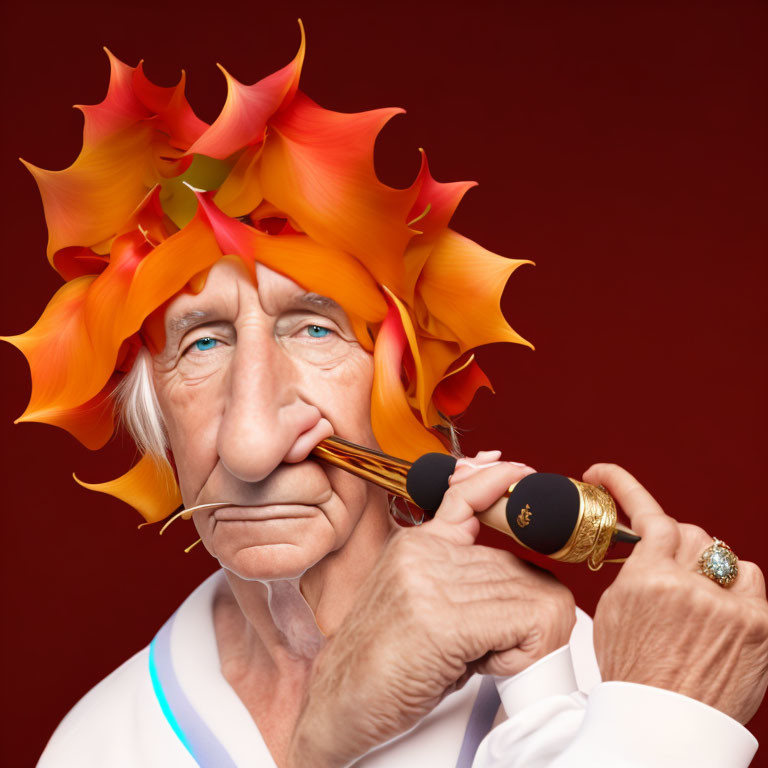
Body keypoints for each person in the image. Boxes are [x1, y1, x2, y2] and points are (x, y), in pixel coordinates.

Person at [5, 24, 767, 768]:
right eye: (201, 343)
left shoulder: (589, 683)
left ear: (405, 396)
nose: (253, 444)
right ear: (156, 419)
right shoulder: (97, 744)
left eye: (314, 330)